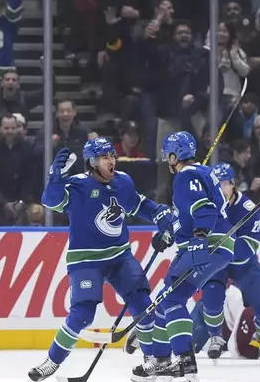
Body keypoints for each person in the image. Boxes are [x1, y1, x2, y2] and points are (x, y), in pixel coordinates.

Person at [28, 138, 174, 381]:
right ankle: (52, 361)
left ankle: (151, 362)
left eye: (112, 156)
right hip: (86, 261)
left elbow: (139, 205)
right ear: (92, 163)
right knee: (82, 314)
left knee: (144, 307)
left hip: (119, 256)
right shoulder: (77, 185)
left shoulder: (123, 181)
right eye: (105, 157)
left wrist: (159, 214)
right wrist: (55, 178)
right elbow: (49, 201)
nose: (111, 161)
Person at [132, 132, 234, 382]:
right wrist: (170, 233)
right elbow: (188, 215)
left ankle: (184, 362)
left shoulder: (186, 176)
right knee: (165, 299)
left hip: (206, 246)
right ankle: (161, 360)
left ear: (176, 155)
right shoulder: (200, 174)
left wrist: (199, 237)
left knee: (172, 300)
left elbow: (204, 209)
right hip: (206, 246)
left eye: (168, 154)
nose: (166, 159)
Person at [200, 162, 260, 362]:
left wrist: (226, 243)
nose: (220, 189)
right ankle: (216, 337)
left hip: (242, 262)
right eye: (216, 185)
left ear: (233, 185)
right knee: (211, 296)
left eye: (224, 184)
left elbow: (247, 248)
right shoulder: (206, 206)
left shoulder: (248, 209)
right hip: (216, 260)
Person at [124, 285, 260, 361]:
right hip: (211, 313)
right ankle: (144, 337)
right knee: (185, 346)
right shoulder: (251, 313)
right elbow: (237, 350)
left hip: (230, 322)